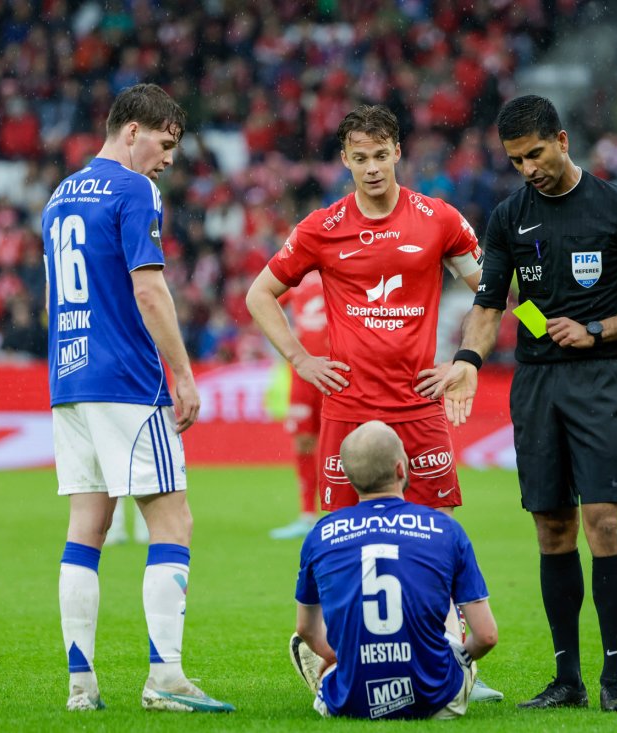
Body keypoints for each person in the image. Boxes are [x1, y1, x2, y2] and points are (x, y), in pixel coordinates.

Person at [246, 103, 502, 701]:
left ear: (397, 154)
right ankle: (344, 663)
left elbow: (491, 291)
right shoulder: (322, 226)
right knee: (340, 539)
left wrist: (465, 360)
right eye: (358, 158)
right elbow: (262, 294)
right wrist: (301, 361)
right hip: (349, 411)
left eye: (380, 156)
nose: (371, 169)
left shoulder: (438, 220)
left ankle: (458, 667)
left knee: (438, 537)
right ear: (344, 160)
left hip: (418, 407)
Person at [442, 95, 617, 711]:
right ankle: (567, 680)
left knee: (604, 521)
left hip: (599, 378)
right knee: (553, 527)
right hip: (537, 385)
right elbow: (491, 300)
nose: (528, 168)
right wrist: (469, 362)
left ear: (563, 139)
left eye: (536, 154)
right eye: (516, 159)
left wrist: (600, 329)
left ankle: (614, 681)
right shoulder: (508, 217)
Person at [43, 83, 233, 713]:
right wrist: (182, 375)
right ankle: (166, 677)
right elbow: (149, 291)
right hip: (126, 378)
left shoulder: (59, 196)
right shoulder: (134, 189)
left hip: (68, 381)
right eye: (164, 142)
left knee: (85, 529)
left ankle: (81, 686)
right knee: (173, 520)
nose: (168, 159)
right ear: (131, 131)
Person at [288, 420, 498, 719]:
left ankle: (337, 675)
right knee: (448, 601)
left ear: (348, 478)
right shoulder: (446, 529)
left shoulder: (320, 533)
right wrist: (461, 661)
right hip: (436, 701)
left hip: (351, 704)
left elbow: (305, 629)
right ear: (401, 468)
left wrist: (336, 657)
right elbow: (487, 636)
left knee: (304, 642)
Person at [270, 271, 328, 539]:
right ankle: (307, 515)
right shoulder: (295, 277)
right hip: (303, 371)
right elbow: (264, 301)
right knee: (304, 440)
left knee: (341, 442)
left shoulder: (342, 266)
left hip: (337, 368)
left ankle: (343, 512)